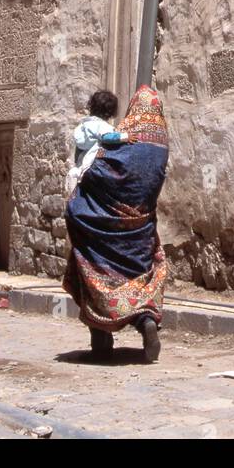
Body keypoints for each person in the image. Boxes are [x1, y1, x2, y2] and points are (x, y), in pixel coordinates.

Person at [63, 84, 170, 363]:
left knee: (93, 270)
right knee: (140, 279)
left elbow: (99, 175)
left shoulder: (121, 144)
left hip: (103, 233)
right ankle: (145, 319)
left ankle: (101, 338)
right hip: (140, 233)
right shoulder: (159, 146)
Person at [66, 90, 123, 196]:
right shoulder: (102, 126)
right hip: (94, 168)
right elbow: (107, 137)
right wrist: (124, 137)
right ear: (110, 112)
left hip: (80, 168)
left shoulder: (83, 126)